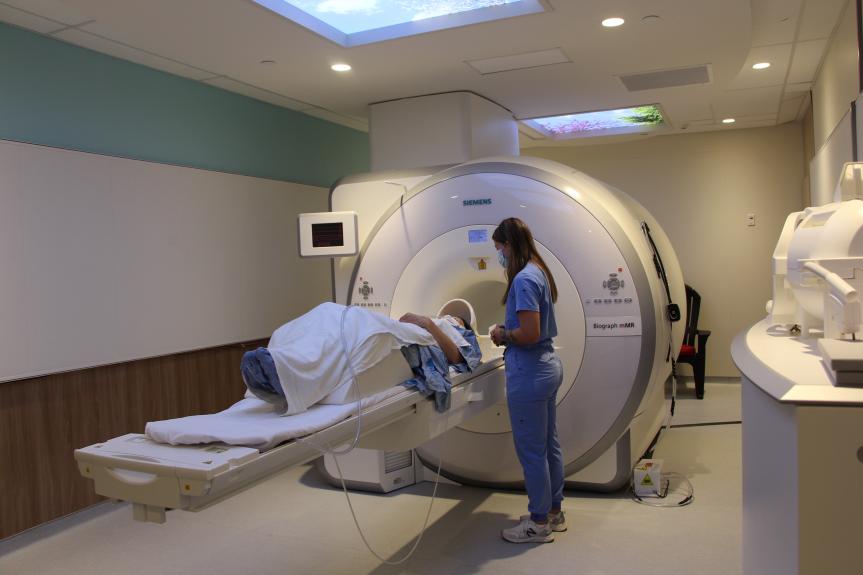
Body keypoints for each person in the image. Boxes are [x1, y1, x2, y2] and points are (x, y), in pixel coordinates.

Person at [240, 303, 481, 414]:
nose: (450, 317)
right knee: (332, 315)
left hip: (415, 337)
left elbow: (458, 359)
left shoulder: (457, 333)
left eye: (456, 319)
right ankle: (285, 358)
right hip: (402, 331)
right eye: (448, 316)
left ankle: (285, 369)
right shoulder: (429, 322)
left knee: (362, 329)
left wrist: (430, 324)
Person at [490, 217, 565, 544]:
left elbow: (529, 332)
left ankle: (537, 524)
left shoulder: (522, 279)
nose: (499, 255)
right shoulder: (539, 271)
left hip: (530, 374)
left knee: (532, 452)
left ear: (509, 245)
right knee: (549, 446)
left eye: (499, 248)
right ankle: (553, 512)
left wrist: (502, 334)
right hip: (547, 367)